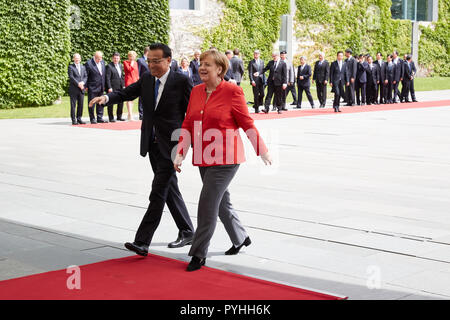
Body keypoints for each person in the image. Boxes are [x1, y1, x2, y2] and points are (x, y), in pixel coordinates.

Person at [89, 43, 195, 256]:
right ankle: (187, 231)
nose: (152, 65)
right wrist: (106, 98)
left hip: (171, 145)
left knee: (157, 192)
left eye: (157, 61)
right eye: (149, 61)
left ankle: (142, 241)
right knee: (168, 188)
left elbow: (191, 115)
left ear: (168, 61)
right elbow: (127, 92)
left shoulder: (181, 81)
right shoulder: (147, 79)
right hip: (152, 143)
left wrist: (184, 148)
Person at [173, 49, 272, 271]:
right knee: (221, 202)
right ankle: (240, 237)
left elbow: (246, 122)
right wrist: (180, 152)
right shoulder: (197, 91)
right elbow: (189, 123)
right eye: (200, 63)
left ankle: (199, 254)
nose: (202, 67)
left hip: (227, 158)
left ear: (220, 68)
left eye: (207, 64)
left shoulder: (232, 92)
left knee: (207, 202)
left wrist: (262, 149)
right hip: (204, 157)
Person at [85, 51, 107, 123]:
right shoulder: (89, 63)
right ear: (94, 56)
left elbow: (103, 75)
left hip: (101, 86)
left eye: (101, 58)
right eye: (98, 58)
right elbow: (86, 76)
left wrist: (105, 85)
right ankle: (92, 118)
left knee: (100, 102)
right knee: (92, 102)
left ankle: (99, 117)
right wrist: (86, 86)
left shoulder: (102, 62)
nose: (100, 59)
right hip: (92, 87)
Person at [105, 52, 125, 122]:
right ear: (112, 58)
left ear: (119, 59)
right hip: (112, 87)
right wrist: (109, 87)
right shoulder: (109, 66)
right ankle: (111, 117)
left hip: (120, 87)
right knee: (111, 103)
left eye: (117, 58)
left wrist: (123, 85)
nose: (116, 59)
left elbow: (121, 76)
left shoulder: (120, 65)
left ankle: (119, 116)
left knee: (121, 102)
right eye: (115, 58)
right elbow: (107, 78)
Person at [68, 53, 87, 125]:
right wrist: (78, 84)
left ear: (80, 59)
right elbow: (71, 77)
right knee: (73, 105)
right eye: (76, 58)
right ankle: (73, 120)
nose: (77, 59)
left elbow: (85, 76)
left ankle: (79, 118)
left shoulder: (83, 67)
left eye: (78, 58)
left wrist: (83, 83)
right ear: (73, 59)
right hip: (74, 89)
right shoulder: (71, 67)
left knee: (81, 104)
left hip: (81, 89)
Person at [123, 51, 140, 121]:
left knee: (132, 99)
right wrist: (132, 63)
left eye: (134, 56)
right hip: (129, 82)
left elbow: (136, 73)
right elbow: (129, 70)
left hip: (135, 81)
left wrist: (138, 81)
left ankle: (129, 114)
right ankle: (130, 114)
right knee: (129, 99)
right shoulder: (125, 62)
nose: (133, 58)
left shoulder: (136, 63)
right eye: (131, 56)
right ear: (129, 56)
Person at [137, 47, 150, 120]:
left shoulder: (150, 60)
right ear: (147, 52)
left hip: (150, 80)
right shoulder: (140, 60)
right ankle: (141, 114)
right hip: (143, 81)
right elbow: (138, 72)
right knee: (142, 97)